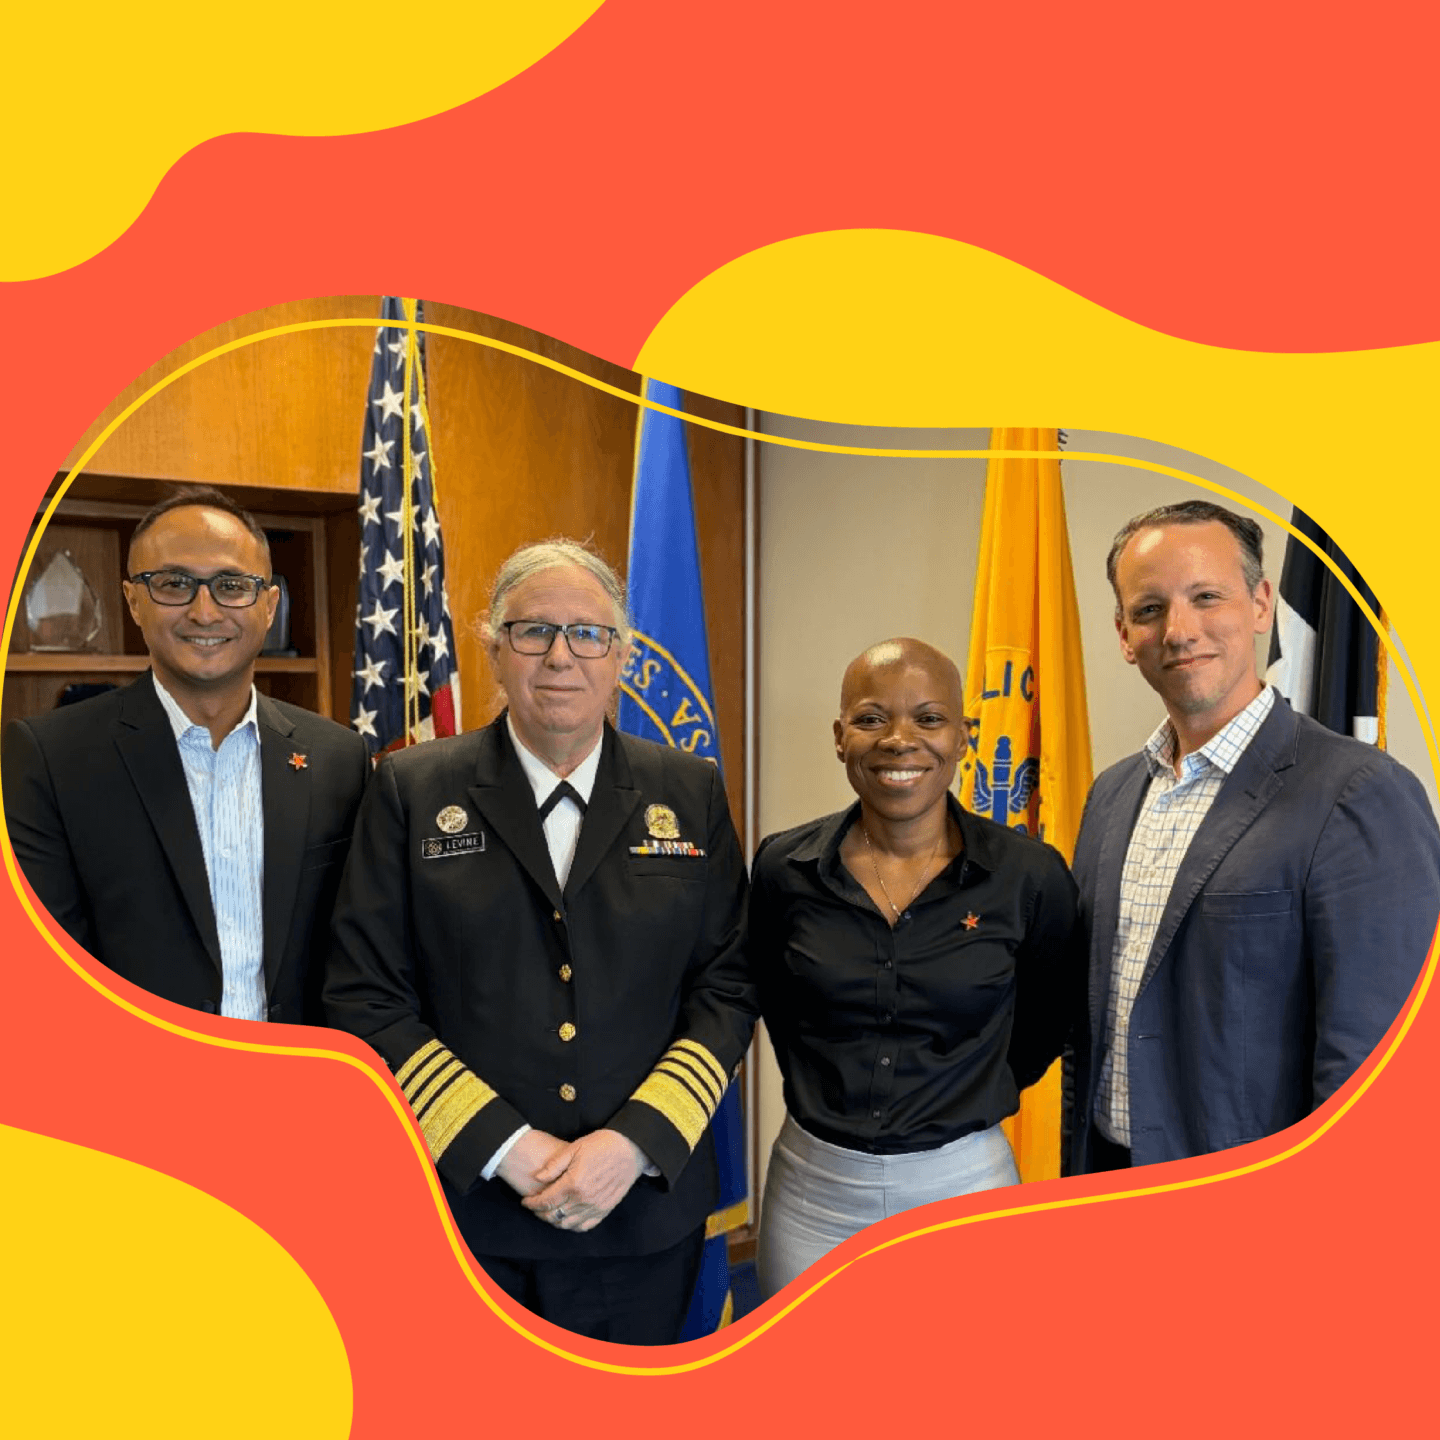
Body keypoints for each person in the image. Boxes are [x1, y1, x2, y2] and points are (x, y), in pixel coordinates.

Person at [324, 539, 755, 1346]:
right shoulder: (412, 791)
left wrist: (634, 1143)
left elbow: (726, 985)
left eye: (588, 634)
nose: (561, 656)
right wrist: (506, 1147)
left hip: (641, 1213)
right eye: (533, 632)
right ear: (492, 646)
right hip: (467, 1213)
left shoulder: (685, 792)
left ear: (623, 655)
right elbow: (365, 996)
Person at [1070, 500, 1440, 1173]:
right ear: (1124, 634)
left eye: (1206, 596)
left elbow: (1375, 1071)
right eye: (1150, 609)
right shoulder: (1112, 796)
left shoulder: (1360, 794)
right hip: (1106, 1183)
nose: (1180, 631)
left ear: (1262, 605)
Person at [750, 638, 1082, 1300]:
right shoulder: (783, 870)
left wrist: (963, 1090)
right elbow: (774, 1008)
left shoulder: (1029, 876)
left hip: (964, 1187)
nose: (901, 740)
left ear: (963, 736)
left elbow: (1048, 1021)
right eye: (873, 718)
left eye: (929, 718)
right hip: (816, 1195)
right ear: (840, 738)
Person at [3, 486, 369, 1022]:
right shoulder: (50, 757)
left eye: (231, 586)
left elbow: (355, 952)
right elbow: (52, 972)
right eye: (173, 584)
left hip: (301, 1080)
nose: (204, 611)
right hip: (139, 1089)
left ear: (269, 607)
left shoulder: (339, 756)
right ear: (132, 600)